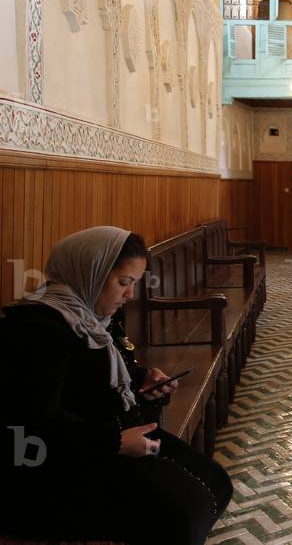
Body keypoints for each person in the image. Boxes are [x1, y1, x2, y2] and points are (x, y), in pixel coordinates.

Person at [0, 226, 233, 544]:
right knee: (182, 513)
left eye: (133, 284)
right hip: (61, 465)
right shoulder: (39, 328)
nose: (130, 295)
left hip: (109, 435)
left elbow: (99, 379)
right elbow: (32, 417)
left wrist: (142, 383)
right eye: (124, 283)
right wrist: (114, 443)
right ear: (91, 273)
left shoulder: (91, 316)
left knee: (216, 481)